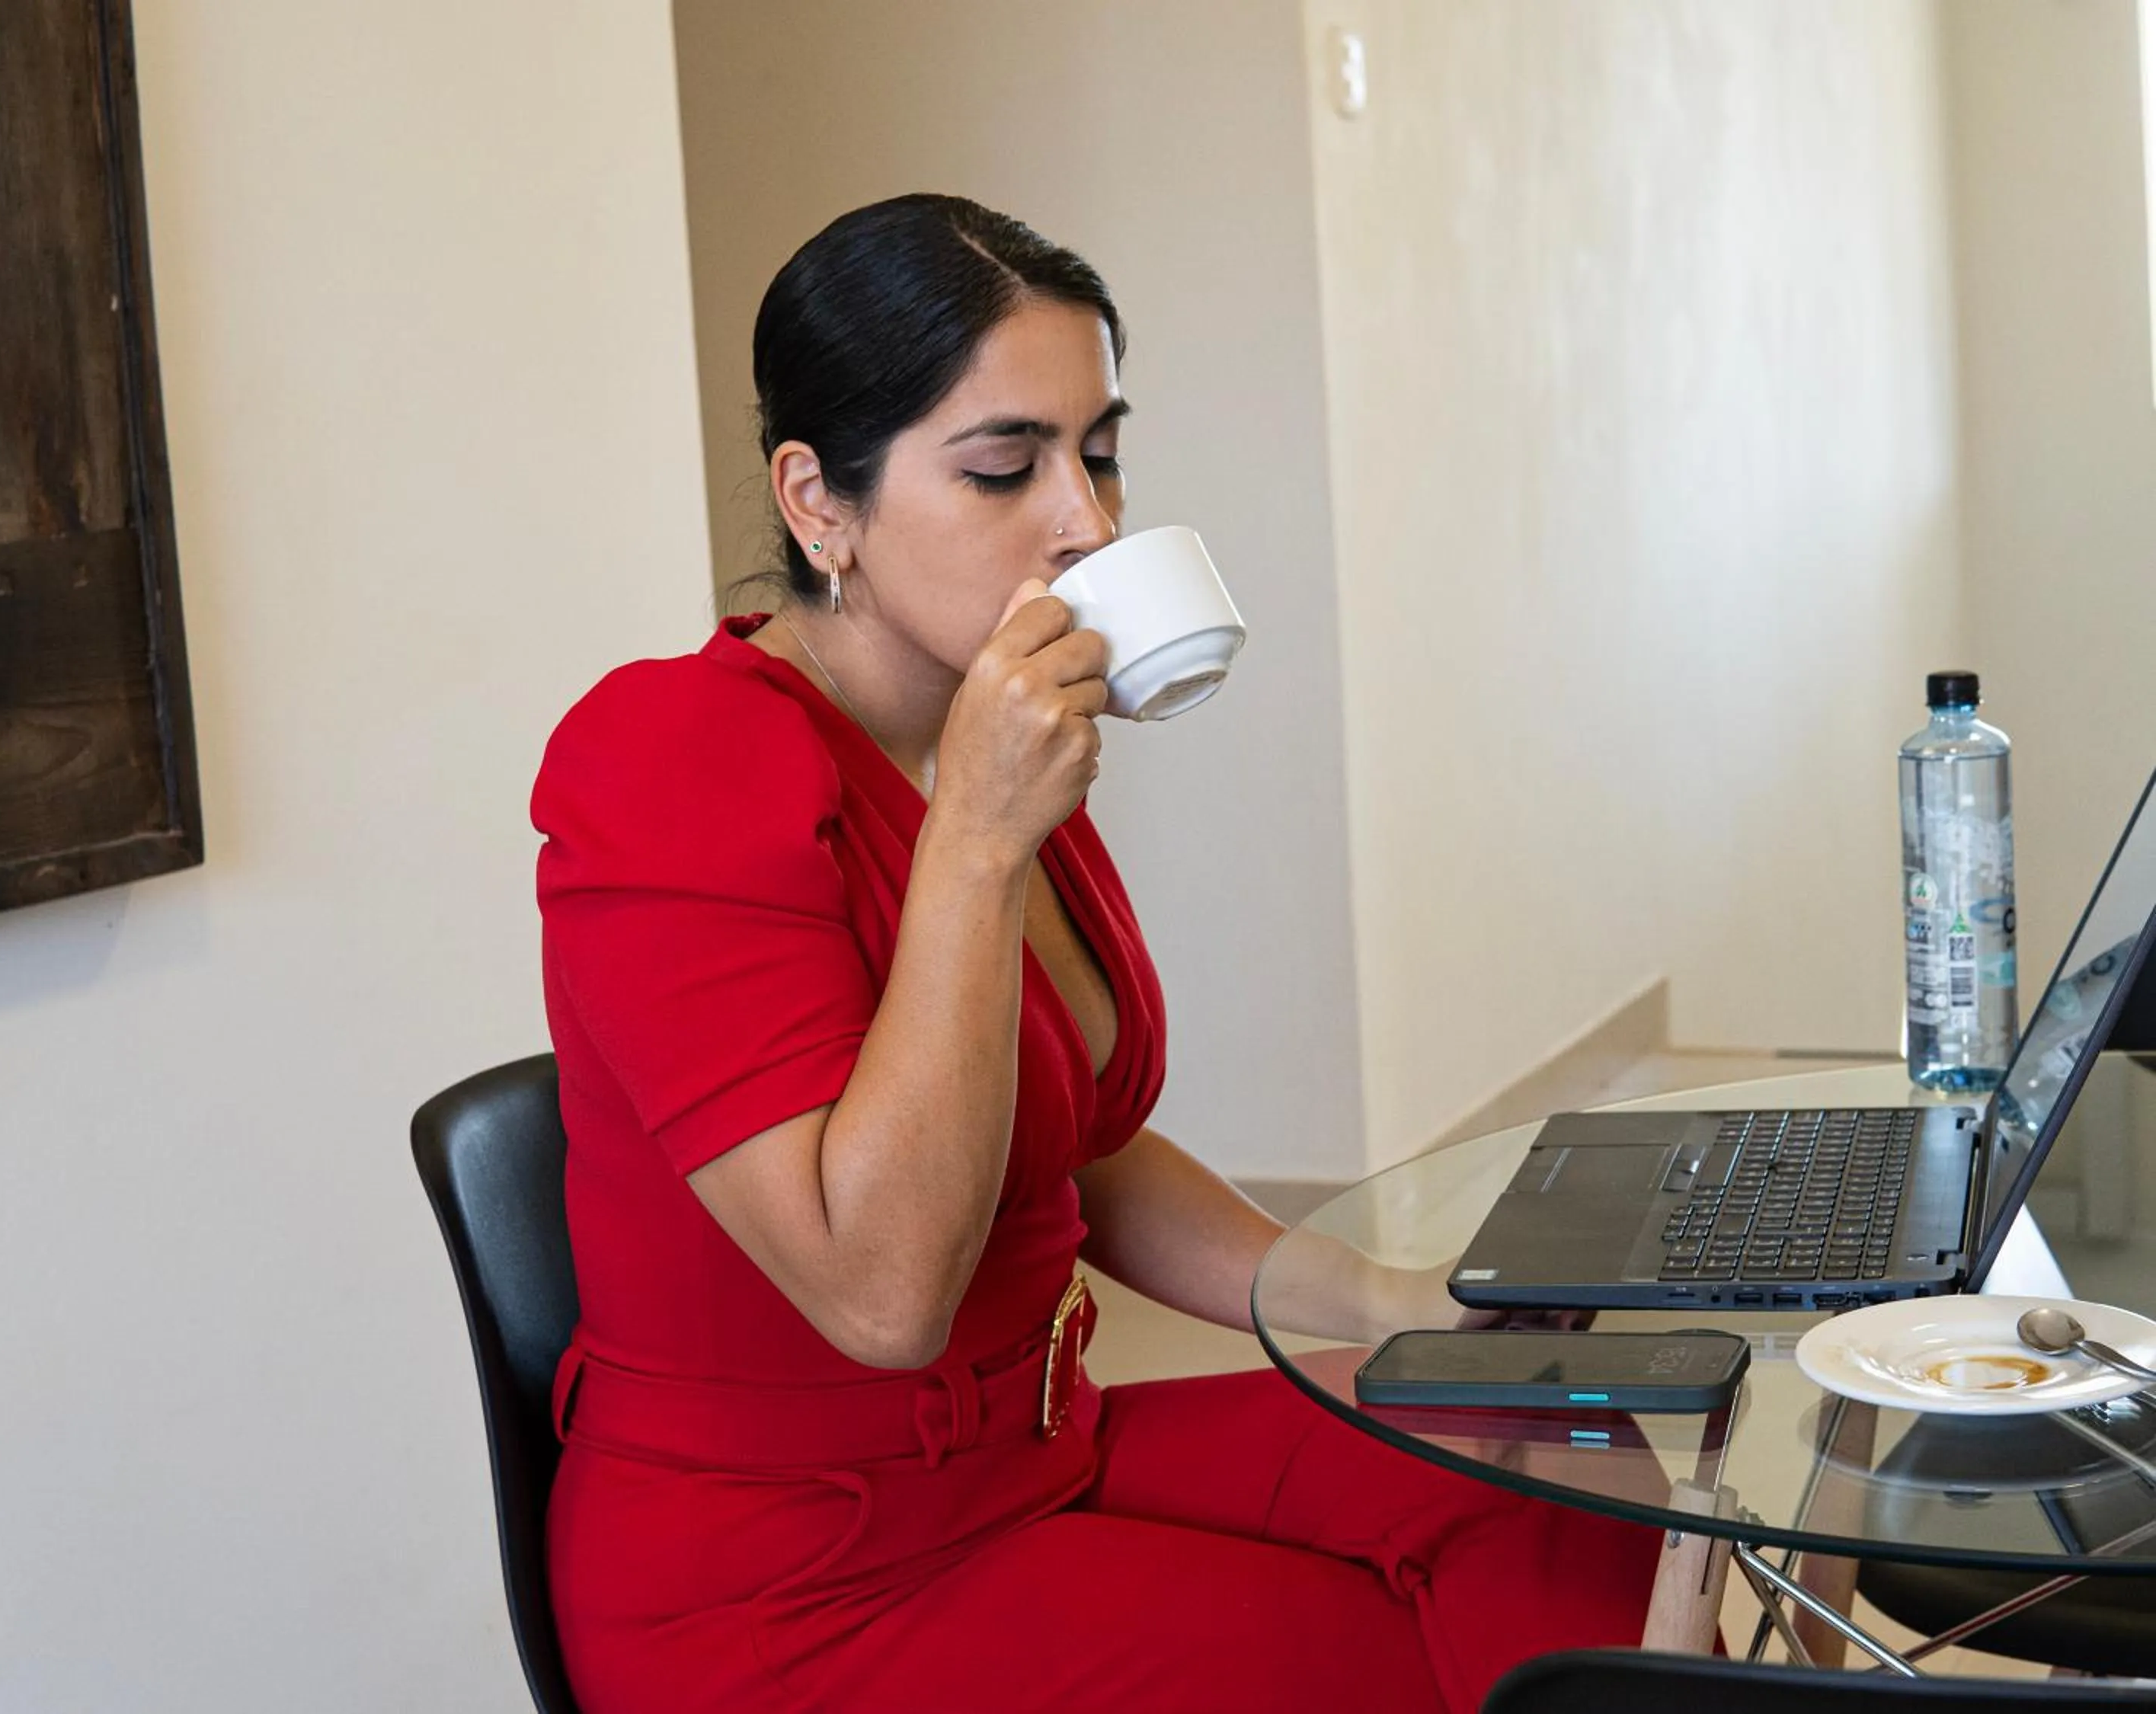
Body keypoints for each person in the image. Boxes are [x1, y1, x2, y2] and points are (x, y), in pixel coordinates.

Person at [531, 193, 1659, 1713]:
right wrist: (979, 842)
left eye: (1101, 451)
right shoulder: (674, 759)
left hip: (1039, 1456)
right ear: (818, 505)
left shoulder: (973, 738)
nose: (1089, 523)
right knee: (1382, 1666)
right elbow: (882, 1297)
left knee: (1561, 1446)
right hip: (797, 1586)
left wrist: (1393, 1301)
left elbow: (1071, 1150)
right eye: (1007, 467)